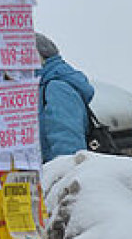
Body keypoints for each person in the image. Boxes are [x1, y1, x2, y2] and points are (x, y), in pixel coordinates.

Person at [36, 33, 93, 161]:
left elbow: (68, 144)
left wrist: (61, 177)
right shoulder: (42, 85)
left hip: (54, 175)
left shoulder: (56, 88)